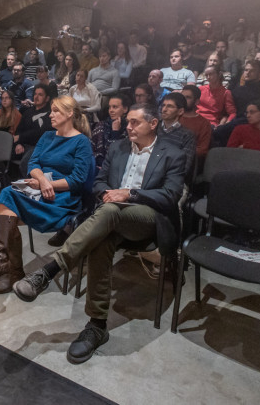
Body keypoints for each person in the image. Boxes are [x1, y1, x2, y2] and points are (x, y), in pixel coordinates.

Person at [11, 103, 187, 363]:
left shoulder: (172, 153)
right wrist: (106, 193)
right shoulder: (119, 148)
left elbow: (170, 196)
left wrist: (129, 194)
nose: (128, 127)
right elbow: (99, 182)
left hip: (148, 217)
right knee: (101, 239)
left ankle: (49, 270)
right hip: (111, 217)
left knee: (110, 211)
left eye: (135, 122)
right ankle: (97, 325)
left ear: (153, 124)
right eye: (127, 121)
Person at [0, 95, 94, 295]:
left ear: (70, 114)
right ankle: (5, 265)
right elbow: (33, 163)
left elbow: (77, 180)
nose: (51, 114)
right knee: (8, 197)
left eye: (56, 111)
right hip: (39, 190)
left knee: (8, 205)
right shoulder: (47, 136)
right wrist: (42, 181)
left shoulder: (81, 142)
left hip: (62, 199)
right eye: (51, 110)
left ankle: (9, 269)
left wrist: (48, 185)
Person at [13, 85, 54, 162]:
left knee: (27, 160)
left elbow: (41, 133)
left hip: (38, 147)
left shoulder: (50, 114)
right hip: (23, 145)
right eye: (35, 94)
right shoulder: (28, 112)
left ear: (47, 98)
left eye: (40, 95)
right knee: (0, 150)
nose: (36, 97)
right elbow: (19, 130)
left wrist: (21, 137)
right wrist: (19, 144)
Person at [90, 93, 128, 170]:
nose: (111, 110)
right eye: (109, 107)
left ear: (125, 109)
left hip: (119, 168)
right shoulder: (100, 125)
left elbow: (117, 154)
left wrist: (115, 132)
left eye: (115, 107)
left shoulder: (128, 128)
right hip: (98, 166)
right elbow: (91, 149)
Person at [178, 85, 212, 166]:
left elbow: (202, 150)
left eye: (188, 97)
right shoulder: (173, 117)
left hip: (187, 162)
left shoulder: (204, 123)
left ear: (196, 101)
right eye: (182, 97)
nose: (183, 100)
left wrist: (180, 153)